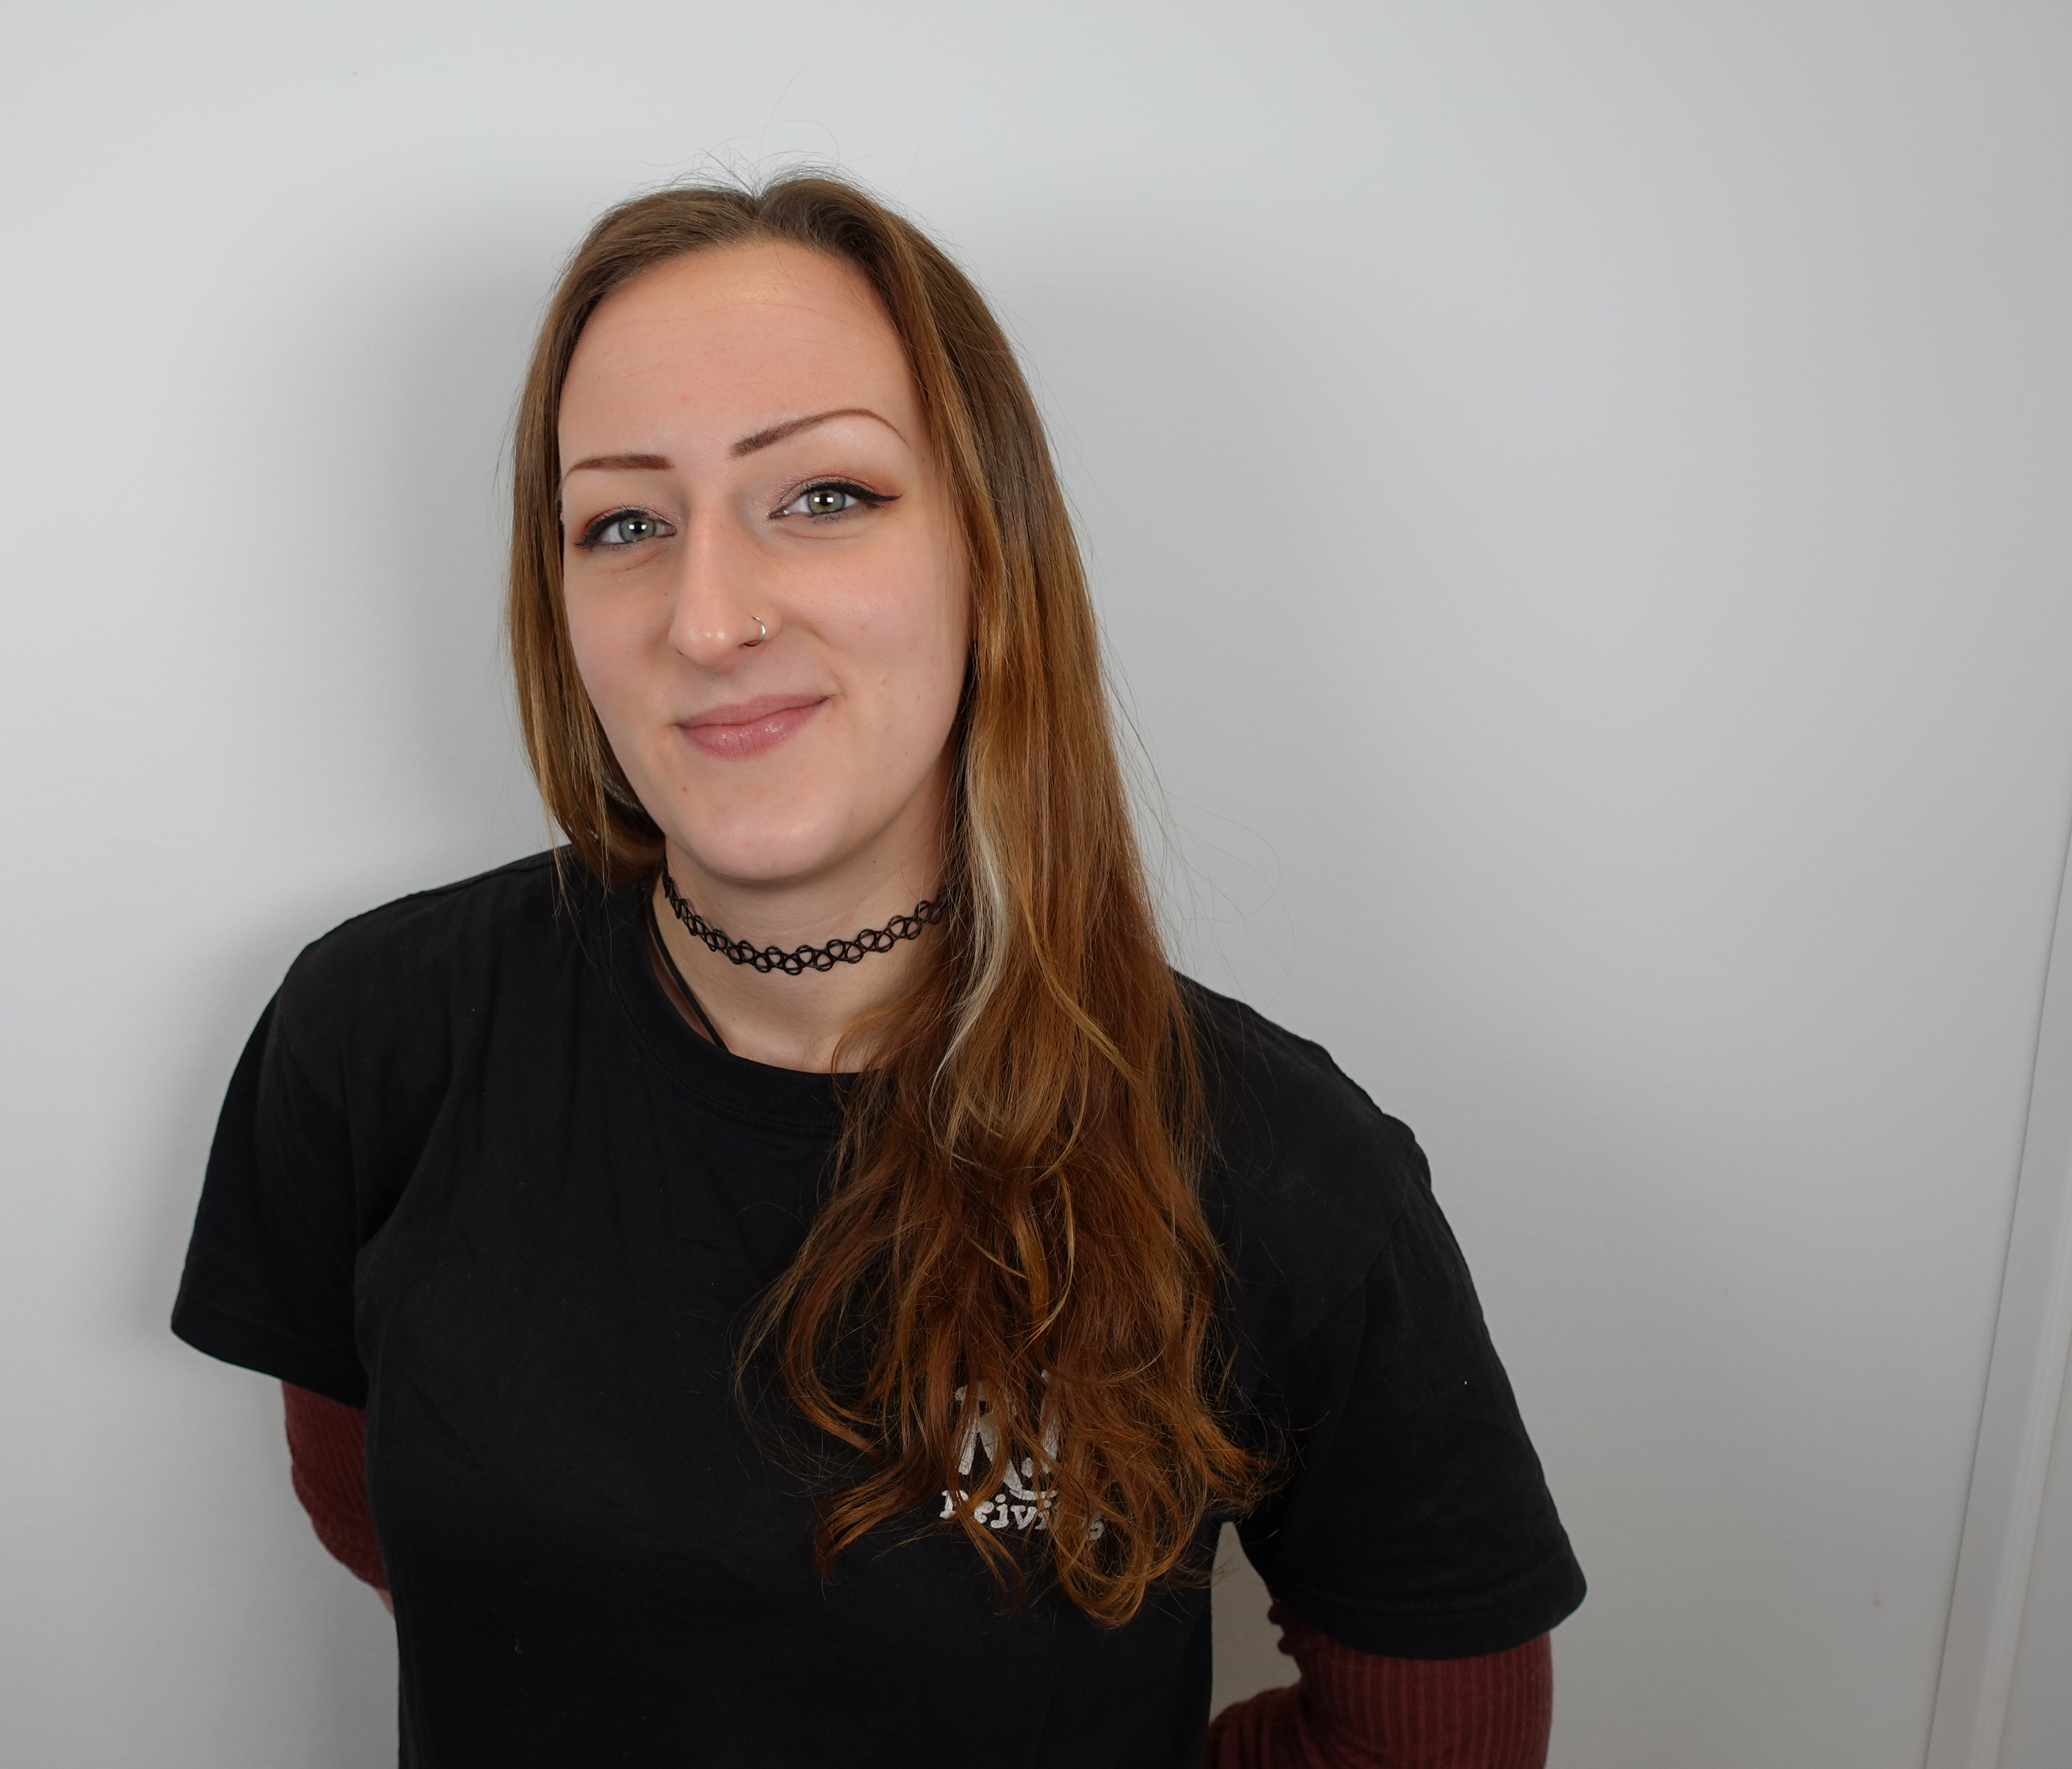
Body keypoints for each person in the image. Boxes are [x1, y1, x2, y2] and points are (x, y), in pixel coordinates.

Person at [172, 175, 1584, 1767]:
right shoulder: (377, 1037)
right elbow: (377, 1511)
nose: (708, 619)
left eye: (825, 496)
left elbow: (1431, 1741)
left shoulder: (1275, 1167)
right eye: (625, 523)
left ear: (990, 548)